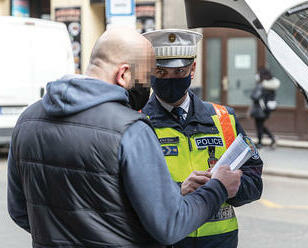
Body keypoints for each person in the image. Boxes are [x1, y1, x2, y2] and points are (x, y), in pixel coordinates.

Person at [7, 27, 243, 248]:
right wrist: (219, 187)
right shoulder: (130, 129)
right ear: (123, 74)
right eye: (147, 77)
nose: (148, 86)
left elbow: (19, 211)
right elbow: (170, 225)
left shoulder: (28, 119)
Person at [142, 29, 263, 248]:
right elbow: (124, 191)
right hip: (165, 241)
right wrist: (177, 191)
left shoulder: (224, 118)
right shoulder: (137, 123)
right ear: (150, 71)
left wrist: (232, 187)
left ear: (193, 69)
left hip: (219, 242)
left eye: (179, 71)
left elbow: (254, 182)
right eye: (161, 72)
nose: (170, 79)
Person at [250, 67, 280, 148]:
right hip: (266, 109)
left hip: (260, 109)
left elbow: (255, 96)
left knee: (259, 126)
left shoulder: (262, 85)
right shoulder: (270, 85)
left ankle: (260, 142)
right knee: (261, 125)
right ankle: (272, 138)